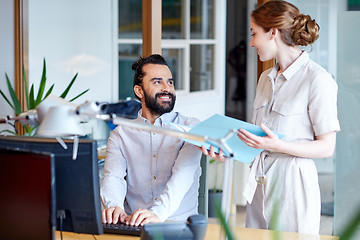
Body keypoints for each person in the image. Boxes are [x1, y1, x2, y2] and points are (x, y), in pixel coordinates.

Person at [201, 0, 340, 234]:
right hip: (259, 184)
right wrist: (229, 151)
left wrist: (279, 145)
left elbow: (327, 147)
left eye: (255, 33)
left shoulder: (318, 79)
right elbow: (260, 140)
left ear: (273, 32)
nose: (252, 42)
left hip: (293, 185)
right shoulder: (265, 78)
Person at [100, 54, 202, 227]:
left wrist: (157, 214)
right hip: (134, 224)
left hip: (178, 225)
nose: (167, 88)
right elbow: (113, 177)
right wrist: (114, 205)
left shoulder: (192, 128)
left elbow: (182, 176)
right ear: (139, 91)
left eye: (170, 82)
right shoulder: (120, 134)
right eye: (157, 82)